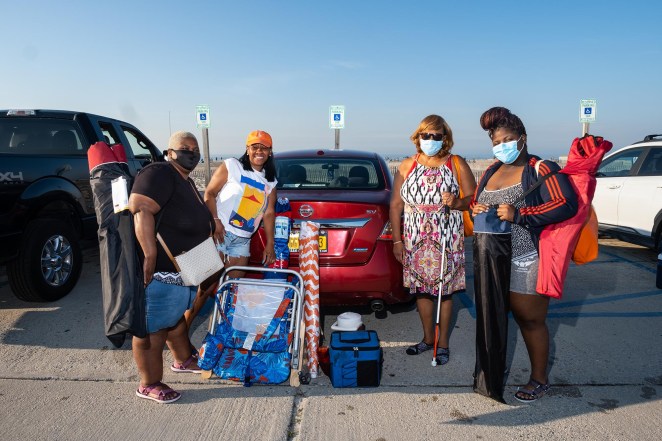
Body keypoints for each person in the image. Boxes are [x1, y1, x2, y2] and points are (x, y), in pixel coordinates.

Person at [471, 107, 578, 403]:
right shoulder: (492, 170)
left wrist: (521, 214)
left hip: (526, 256)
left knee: (529, 319)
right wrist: (474, 208)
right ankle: (489, 376)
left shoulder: (541, 168)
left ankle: (539, 379)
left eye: (507, 138)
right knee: (492, 318)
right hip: (491, 259)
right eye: (496, 141)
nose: (501, 145)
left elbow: (566, 203)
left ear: (522, 138)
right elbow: (480, 204)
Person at [129, 131, 211, 404]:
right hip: (164, 269)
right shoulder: (160, 172)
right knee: (153, 329)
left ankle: (183, 359)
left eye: (195, 148)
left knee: (175, 319)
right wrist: (149, 253)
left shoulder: (183, 179)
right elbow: (140, 207)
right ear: (170, 152)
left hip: (186, 266)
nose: (192, 153)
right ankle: (149, 383)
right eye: (185, 148)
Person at [390, 114, 476, 365]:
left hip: (447, 237)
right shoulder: (407, 165)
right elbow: (395, 205)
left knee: (445, 293)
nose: (430, 139)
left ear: (445, 138)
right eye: (425, 135)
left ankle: (443, 344)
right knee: (422, 292)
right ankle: (428, 339)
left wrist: (457, 202)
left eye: (436, 136)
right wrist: (397, 241)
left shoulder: (456, 163)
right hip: (415, 239)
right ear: (418, 137)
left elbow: (472, 198)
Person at [184, 130, 278, 326]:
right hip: (217, 234)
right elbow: (209, 193)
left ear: (270, 152)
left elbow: (269, 213)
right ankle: (181, 333)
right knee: (203, 288)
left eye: (264, 148)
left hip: (242, 242)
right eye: (255, 147)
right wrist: (215, 220)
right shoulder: (232, 165)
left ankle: (218, 336)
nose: (259, 151)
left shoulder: (270, 181)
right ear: (247, 149)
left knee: (230, 291)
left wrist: (270, 243)